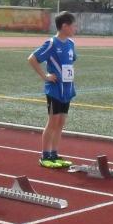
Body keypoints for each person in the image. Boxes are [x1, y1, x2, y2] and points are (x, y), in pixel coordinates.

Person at [27, 11, 77, 168]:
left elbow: (70, 62)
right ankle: (45, 155)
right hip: (54, 89)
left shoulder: (71, 44)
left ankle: (54, 154)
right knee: (53, 121)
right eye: (73, 26)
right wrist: (45, 76)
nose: (75, 28)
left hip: (67, 89)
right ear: (64, 26)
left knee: (61, 122)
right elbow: (32, 58)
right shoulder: (51, 43)